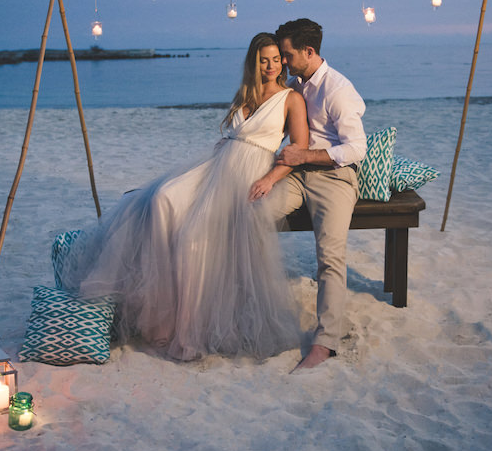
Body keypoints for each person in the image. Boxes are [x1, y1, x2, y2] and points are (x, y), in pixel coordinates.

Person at [56, 32, 309, 361]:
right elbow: (236, 135)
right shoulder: (246, 93)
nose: (272, 65)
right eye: (264, 59)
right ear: (254, 61)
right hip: (219, 165)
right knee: (161, 197)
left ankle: (188, 330)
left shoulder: (291, 98)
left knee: (192, 238)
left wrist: (270, 178)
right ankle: (161, 316)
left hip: (249, 175)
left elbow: (299, 150)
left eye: (276, 59)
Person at [271, 18, 367, 371]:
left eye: (286, 54)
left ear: (308, 52)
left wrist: (305, 156)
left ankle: (325, 343)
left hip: (335, 177)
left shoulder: (338, 89)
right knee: (254, 214)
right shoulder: (296, 84)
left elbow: (357, 148)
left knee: (330, 255)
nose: (282, 61)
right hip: (297, 173)